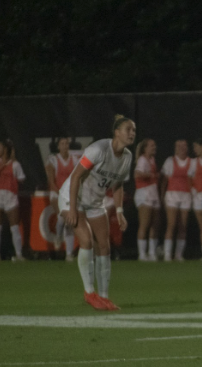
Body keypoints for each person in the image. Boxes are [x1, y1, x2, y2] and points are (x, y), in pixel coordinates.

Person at [59, 115, 134, 310]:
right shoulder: (98, 149)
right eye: (128, 129)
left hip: (94, 202)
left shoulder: (127, 157)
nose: (132, 133)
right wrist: (73, 208)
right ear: (117, 132)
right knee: (86, 241)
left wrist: (119, 211)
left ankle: (104, 296)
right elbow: (76, 177)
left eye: (134, 130)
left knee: (104, 245)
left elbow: (117, 185)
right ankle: (89, 293)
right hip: (72, 196)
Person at [45, 137, 80, 261]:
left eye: (66, 144)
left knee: (69, 223)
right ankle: (58, 236)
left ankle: (69, 254)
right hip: (56, 194)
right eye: (62, 143)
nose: (65, 146)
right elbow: (51, 180)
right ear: (58, 146)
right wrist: (60, 193)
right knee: (62, 217)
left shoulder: (74, 160)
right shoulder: (53, 160)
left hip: (69, 195)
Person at [0, 139, 26, 261]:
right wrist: (1, 167)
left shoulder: (15, 164)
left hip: (10, 196)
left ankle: (18, 254)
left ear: (5, 149)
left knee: (14, 227)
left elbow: (22, 178)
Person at [161, 139, 194, 262]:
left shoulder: (192, 162)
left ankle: (179, 255)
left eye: (184, 146)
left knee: (183, 226)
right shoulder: (170, 161)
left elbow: (192, 180)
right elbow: (164, 181)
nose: (182, 148)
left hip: (186, 195)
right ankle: (167, 255)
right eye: (179, 146)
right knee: (171, 224)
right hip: (172, 194)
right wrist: (162, 196)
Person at [133, 138, 161, 261]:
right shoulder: (142, 160)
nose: (154, 147)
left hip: (153, 192)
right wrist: (151, 175)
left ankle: (152, 253)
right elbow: (137, 174)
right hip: (144, 193)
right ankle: (142, 254)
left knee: (155, 225)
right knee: (144, 224)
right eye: (151, 146)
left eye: (154, 145)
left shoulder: (152, 159)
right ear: (145, 148)